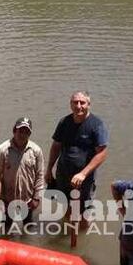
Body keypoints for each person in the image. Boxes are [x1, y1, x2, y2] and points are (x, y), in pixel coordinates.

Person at [46, 91, 108, 219]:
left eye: (82, 103)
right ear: (70, 105)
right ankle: (66, 234)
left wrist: (83, 174)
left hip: (84, 179)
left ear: (89, 104)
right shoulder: (64, 122)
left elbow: (102, 153)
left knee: (84, 211)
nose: (78, 106)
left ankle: (82, 236)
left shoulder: (96, 125)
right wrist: (49, 169)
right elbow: (56, 146)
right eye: (75, 102)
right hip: (63, 174)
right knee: (65, 205)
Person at [0, 117, 45, 229]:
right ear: (14, 130)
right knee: (5, 231)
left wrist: (37, 198)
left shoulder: (36, 150)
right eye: (20, 131)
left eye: (26, 132)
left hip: (28, 200)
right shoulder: (2, 150)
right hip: (7, 200)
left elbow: (40, 175)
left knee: (29, 230)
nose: (23, 134)